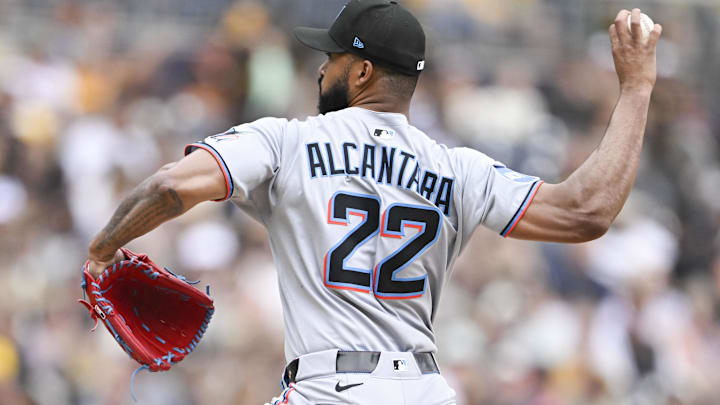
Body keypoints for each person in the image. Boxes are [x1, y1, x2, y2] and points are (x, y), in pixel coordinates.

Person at [84, 1, 662, 403]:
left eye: (331, 59)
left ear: (360, 71)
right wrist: (637, 89)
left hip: (326, 389)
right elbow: (587, 211)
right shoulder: (458, 167)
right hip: (427, 390)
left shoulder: (287, 140)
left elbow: (169, 187)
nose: (320, 67)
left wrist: (105, 248)